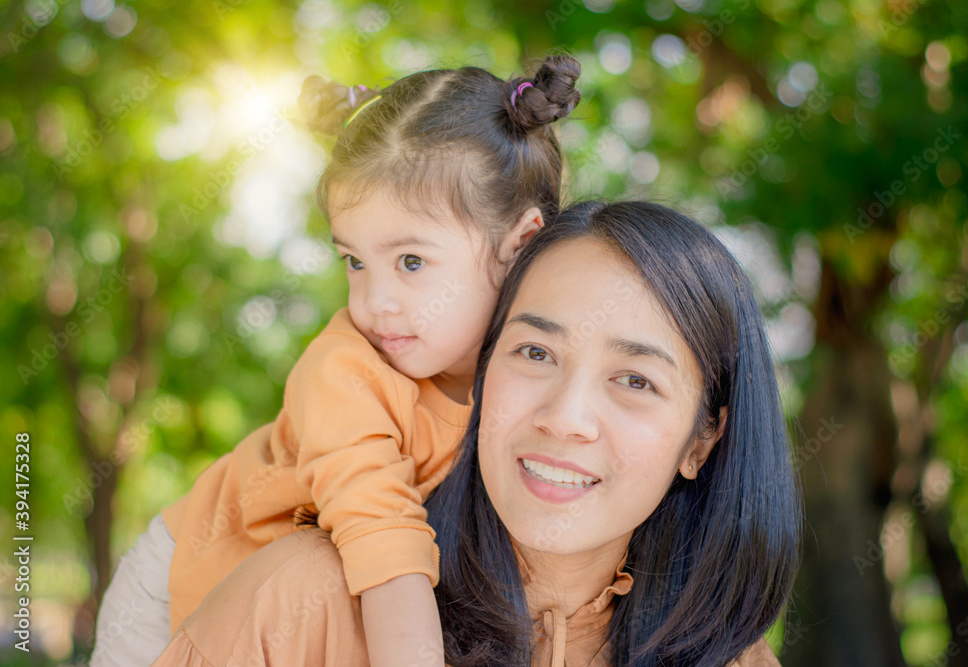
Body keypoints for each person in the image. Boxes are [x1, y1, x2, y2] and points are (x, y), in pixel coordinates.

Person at [151, 200, 802, 666]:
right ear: (482, 375)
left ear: (702, 440)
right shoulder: (299, 602)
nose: (564, 417)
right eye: (536, 353)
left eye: (634, 380)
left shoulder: (731, 657)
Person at [91, 55, 583, 667]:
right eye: (354, 261)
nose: (373, 303)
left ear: (522, 244)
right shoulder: (344, 373)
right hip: (179, 590)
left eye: (410, 262)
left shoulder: (546, 377)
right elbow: (387, 555)